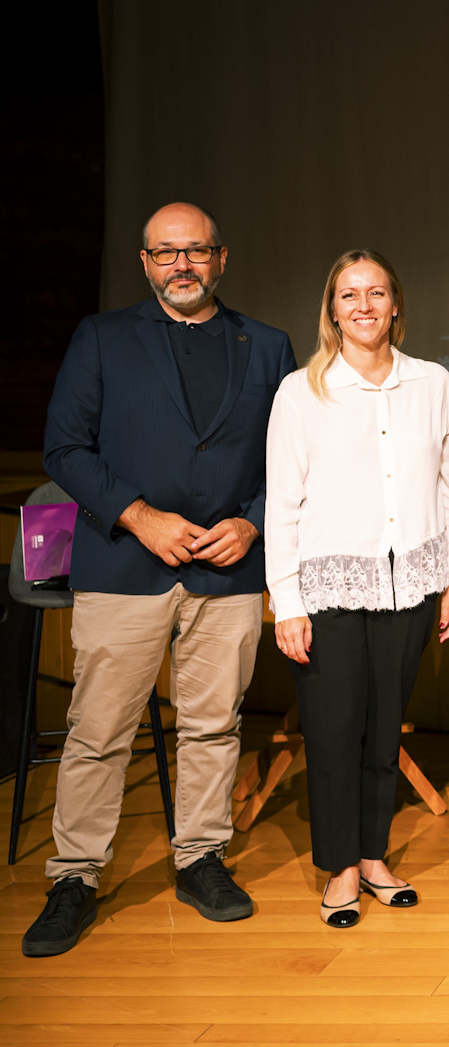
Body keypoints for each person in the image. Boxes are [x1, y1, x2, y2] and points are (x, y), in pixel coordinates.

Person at [25, 203, 296, 958]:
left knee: (215, 725)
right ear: (145, 263)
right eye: (166, 253)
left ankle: (200, 858)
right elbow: (64, 449)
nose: (183, 264)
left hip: (230, 570)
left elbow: (294, 458)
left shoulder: (269, 345)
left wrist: (255, 522)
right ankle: (75, 877)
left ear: (221, 258)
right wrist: (139, 516)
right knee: (98, 731)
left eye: (197, 251)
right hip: (123, 567)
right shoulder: (102, 338)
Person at [265, 251, 449, 927]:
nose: (363, 305)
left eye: (375, 292)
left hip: (408, 584)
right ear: (331, 310)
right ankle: (341, 868)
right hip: (328, 589)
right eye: (349, 295)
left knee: (385, 730)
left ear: (395, 304)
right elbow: (282, 505)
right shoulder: (302, 391)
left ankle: (375, 854)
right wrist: (286, 602)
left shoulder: (432, 383)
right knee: (332, 732)